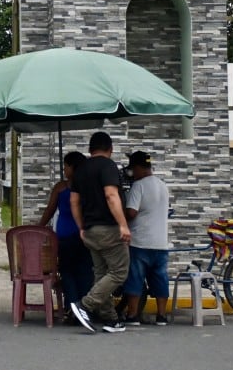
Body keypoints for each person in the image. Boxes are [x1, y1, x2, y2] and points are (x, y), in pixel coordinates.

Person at [68, 131, 131, 334]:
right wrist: (122, 224)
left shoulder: (81, 170)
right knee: (119, 272)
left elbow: (74, 202)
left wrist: (81, 227)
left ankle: (111, 319)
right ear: (110, 149)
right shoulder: (108, 166)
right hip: (109, 229)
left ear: (90, 149)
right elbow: (111, 195)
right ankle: (84, 305)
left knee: (102, 273)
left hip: (90, 230)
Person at [36, 151, 94, 324]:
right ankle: (84, 308)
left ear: (73, 167)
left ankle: (72, 307)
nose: (64, 169)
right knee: (84, 272)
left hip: (65, 237)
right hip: (85, 236)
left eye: (66, 166)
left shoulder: (61, 188)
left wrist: (39, 227)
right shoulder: (89, 187)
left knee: (67, 272)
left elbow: (50, 210)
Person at [121, 150, 171, 326]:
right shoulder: (163, 186)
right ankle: (162, 315)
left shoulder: (139, 186)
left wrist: (121, 216)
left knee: (135, 279)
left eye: (133, 170)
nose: (132, 174)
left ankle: (133, 315)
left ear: (139, 168)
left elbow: (132, 212)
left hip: (140, 243)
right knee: (160, 279)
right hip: (161, 244)